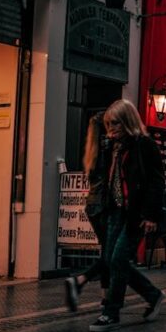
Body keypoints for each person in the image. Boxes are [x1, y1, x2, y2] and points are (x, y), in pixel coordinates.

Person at [88, 99, 166, 332]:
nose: (111, 129)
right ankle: (153, 295)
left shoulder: (144, 145)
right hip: (114, 211)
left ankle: (111, 312)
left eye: (115, 124)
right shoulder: (112, 147)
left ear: (127, 122)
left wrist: (150, 215)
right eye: (108, 125)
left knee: (118, 259)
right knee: (113, 261)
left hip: (135, 214)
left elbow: (156, 181)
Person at [65, 114, 111, 312]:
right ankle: (80, 280)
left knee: (107, 251)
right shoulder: (107, 148)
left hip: (92, 205)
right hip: (104, 205)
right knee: (111, 253)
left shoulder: (91, 150)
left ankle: (105, 296)